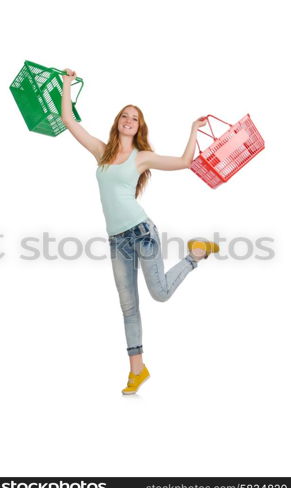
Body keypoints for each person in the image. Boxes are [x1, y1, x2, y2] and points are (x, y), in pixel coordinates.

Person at [61, 68, 220, 395]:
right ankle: (137, 370)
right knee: (128, 306)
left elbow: (184, 162)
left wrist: (192, 131)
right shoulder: (100, 152)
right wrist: (66, 84)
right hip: (116, 240)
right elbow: (68, 120)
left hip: (141, 231)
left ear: (140, 126)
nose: (129, 119)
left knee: (159, 294)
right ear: (118, 121)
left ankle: (195, 255)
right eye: (124, 115)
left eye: (134, 117)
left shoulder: (142, 157)